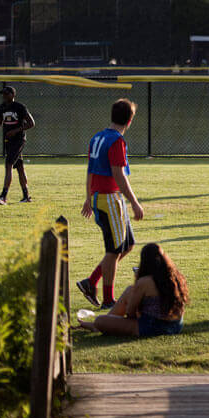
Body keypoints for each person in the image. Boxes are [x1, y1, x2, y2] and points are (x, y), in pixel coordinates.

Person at [77, 99, 146, 309]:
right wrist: (134, 202)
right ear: (130, 120)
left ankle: (91, 281)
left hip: (102, 197)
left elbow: (90, 169)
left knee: (127, 244)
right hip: (110, 198)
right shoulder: (117, 140)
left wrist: (89, 197)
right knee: (115, 249)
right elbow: (118, 174)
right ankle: (107, 299)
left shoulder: (97, 137)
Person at [78, 243, 189, 337]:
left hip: (152, 327)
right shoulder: (176, 278)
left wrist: (138, 313)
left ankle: (99, 325)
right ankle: (105, 322)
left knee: (100, 320)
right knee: (129, 291)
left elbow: (130, 312)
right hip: (176, 326)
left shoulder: (145, 282)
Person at [0, 86, 35, 205]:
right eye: (3, 94)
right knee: (20, 167)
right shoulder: (2, 107)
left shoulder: (19, 107)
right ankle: (26, 196)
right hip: (9, 141)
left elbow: (31, 123)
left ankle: (3, 196)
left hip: (18, 140)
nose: (4, 96)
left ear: (13, 95)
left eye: (6, 94)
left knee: (8, 164)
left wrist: (15, 131)